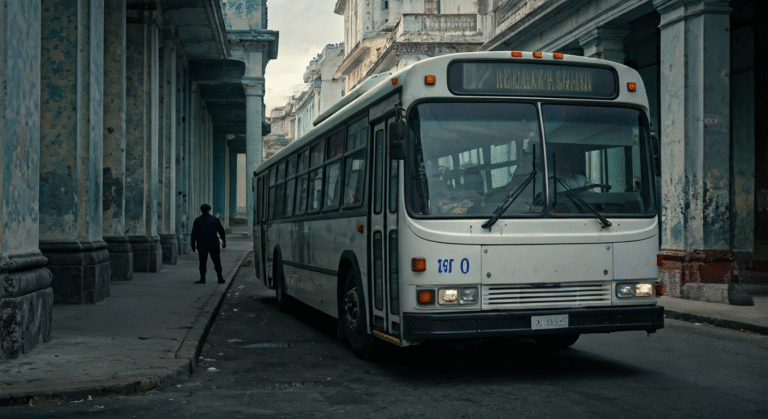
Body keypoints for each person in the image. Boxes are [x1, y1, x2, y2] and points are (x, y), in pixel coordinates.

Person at [191, 203, 227, 284]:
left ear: (201, 210)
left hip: (202, 244)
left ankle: (202, 279)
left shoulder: (198, 220)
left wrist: (193, 246)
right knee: (217, 261)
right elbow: (221, 232)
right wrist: (224, 242)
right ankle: (220, 278)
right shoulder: (214, 219)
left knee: (202, 262)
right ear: (209, 210)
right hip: (213, 243)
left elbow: (193, 234)